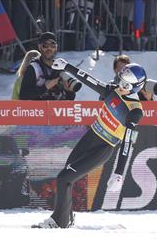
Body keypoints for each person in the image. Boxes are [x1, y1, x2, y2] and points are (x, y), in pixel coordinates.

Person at [33, 58, 146, 228]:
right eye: (121, 81)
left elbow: (128, 142)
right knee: (66, 176)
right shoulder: (113, 90)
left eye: (127, 85)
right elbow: (90, 80)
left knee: (63, 178)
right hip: (90, 137)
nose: (122, 87)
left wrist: (119, 172)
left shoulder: (135, 110)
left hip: (102, 148)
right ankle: (66, 218)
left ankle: (58, 222)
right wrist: (67, 66)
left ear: (136, 87)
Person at [19, 32, 77, 100]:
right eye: (45, 46)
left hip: (57, 109)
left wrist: (69, 91)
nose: (49, 49)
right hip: (40, 109)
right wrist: (45, 87)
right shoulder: (34, 68)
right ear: (40, 47)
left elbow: (69, 100)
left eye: (52, 46)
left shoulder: (60, 66)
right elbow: (23, 95)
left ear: (56, 47)